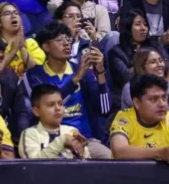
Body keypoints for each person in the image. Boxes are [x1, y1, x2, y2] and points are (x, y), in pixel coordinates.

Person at [23, 21, 112, 158]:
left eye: (68, 39)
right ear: (46, 46)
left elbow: (104, 109)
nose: (66, 43)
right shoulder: (35, 75)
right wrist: (75, 80)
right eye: (59, 40)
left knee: (110, 158)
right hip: (50, 140)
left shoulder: (82, 71)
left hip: (85, 139)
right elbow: (47, 102)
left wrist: (100, 72)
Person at [109, 74, 169, 162]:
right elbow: (119, 151)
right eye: (153, 99)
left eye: (164, 98)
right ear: (137, 103)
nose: (162, 104)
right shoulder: (124, 118)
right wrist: (160, 153)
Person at [18, 83, 91, 159]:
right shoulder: (29, 134)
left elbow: (86, 163)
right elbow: (33, 164)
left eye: (60, 104)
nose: (58, 108)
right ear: (36, 111)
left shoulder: (71, 131)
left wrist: (82, 151)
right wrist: (62, 141)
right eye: (51, 105)